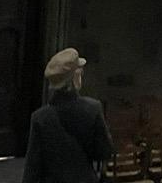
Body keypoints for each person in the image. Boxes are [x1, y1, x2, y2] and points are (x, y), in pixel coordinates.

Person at [22, 48, 113, 183]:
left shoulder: (40, 118)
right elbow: (104, 151)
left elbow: (33, 167)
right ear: (75, 77)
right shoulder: (93, 108)